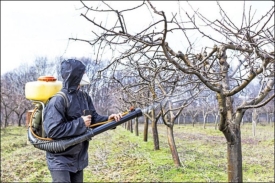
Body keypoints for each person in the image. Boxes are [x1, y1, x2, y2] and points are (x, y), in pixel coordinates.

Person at [43, 59, 122, 183]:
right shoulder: (58, 100)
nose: (85, 76)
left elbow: (94, 119)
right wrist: (80, 123)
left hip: (78, 157)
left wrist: (108, 119)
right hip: (60, 159)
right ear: (75, 75)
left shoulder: (84, 97)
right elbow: (53, 130)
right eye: (83, 73)